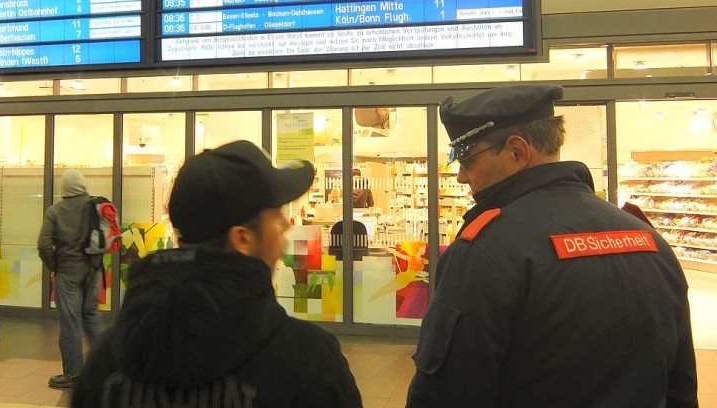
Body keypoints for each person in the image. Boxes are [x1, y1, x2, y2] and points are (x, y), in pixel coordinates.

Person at [406, 84, 698, 407]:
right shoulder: (649, 241)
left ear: (517, 151)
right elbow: (681, 390)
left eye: (467, 160)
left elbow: (445, 395)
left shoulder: (485, 251)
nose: (461, 176)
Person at [72, 140, 363, 408]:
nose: (286, 225)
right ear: (242, 239)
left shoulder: (105, 362)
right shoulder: (309, 364)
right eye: (276, 213)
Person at [37, 169, 105, 389]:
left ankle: (74, 374)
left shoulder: (55, 211)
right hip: (93, 270)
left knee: (70, 322)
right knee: (92, 317)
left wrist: (54, 266)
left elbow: (44, 244)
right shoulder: (94, 206)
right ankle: (105, 368)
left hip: (68, 272)